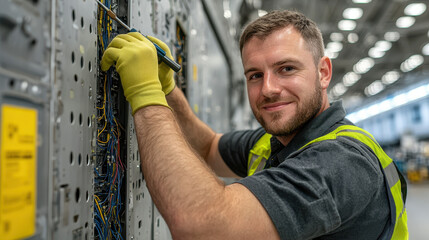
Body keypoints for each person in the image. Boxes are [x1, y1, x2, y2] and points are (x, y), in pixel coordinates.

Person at [101, 10, 408, 240]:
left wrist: (145, 94)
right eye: (255, 75)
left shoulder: (342, 162)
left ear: (324, 72)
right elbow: (207, 146)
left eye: (286, 69)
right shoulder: (276, 142)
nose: (268, 89)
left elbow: (202, 225)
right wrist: (167, 89)